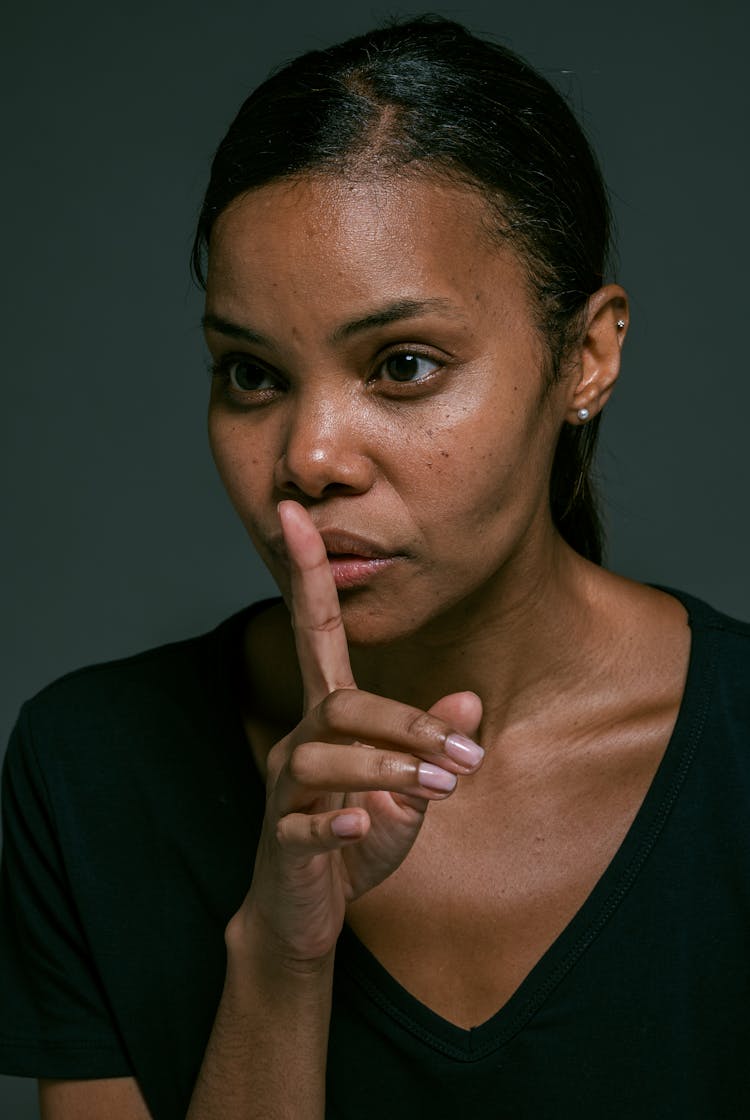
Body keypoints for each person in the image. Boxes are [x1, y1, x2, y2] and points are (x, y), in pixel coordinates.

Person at [1, 14, 749, 1120]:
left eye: (403, 365)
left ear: (586, 357)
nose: (305, 458)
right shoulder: (93, 770)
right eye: (250, 374)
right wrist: (280, 956)